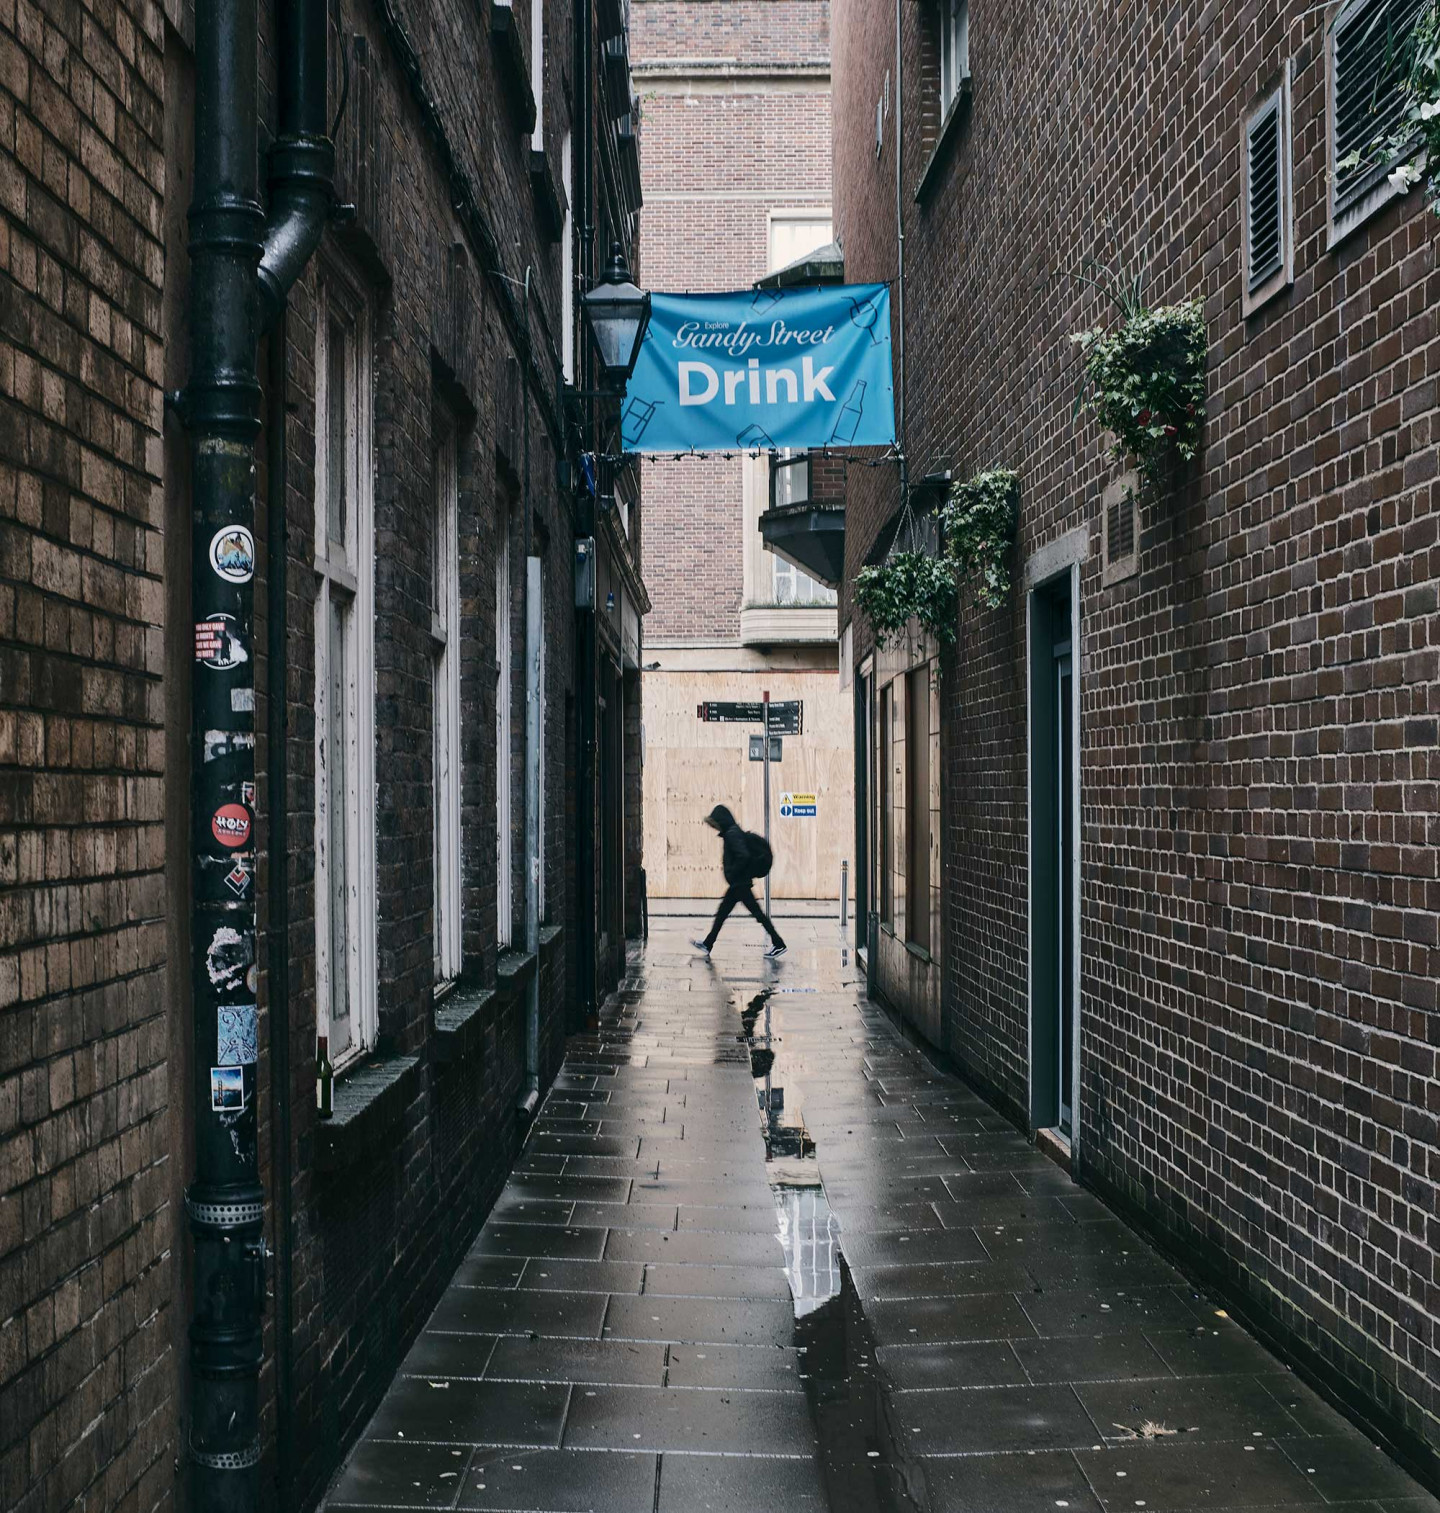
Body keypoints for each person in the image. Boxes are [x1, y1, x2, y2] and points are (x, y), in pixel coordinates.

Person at [691, 804, 787, 958]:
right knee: (723, 913)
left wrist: (733, 872)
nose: (714, 826)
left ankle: (779, 943)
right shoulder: (731, 832)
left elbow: (743, 855)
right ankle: (708, 943)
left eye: (715, 822)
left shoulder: (732, 833)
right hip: (738, 884)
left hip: (739, 884)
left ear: (721, 820)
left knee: (756, 914)